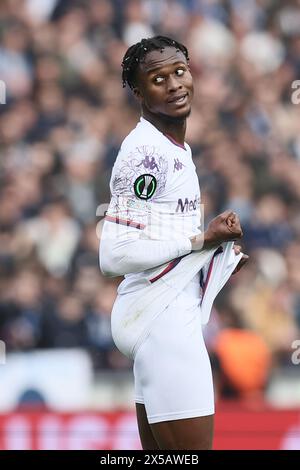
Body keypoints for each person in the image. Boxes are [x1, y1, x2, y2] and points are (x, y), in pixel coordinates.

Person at [99, 36, 248, 450]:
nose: (174, 84)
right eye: (158, 78)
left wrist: (214, 256)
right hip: (162, 318)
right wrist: (201, 238)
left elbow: (162, 242)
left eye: (179, 71)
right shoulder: (144, 154)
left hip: (160, 310)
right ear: (139, 92)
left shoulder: (173, 147)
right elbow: (113, 254)